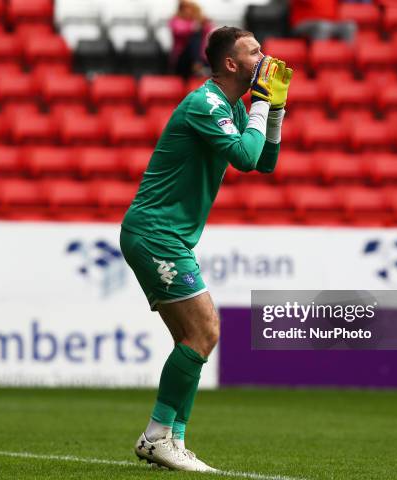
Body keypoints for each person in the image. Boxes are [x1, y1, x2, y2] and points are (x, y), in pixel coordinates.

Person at [120, 27, 292, 471]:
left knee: (192, 338)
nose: (264, 56)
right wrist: (259, 107)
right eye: (254, 51)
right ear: (231, 64)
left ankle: (173, 439)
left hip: (169, 234)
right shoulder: (207, 103)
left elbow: (266, 162)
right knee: (206, 331)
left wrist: (273, 112)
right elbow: (245, 157)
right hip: (156, 232)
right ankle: (157, 436)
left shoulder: (232, 106)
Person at [169, 0, 213, 78]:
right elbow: (179, 30)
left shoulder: (197, 22)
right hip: (182, 58)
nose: (188, 11)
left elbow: (209, 32)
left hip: (198, 56)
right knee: (194, 37)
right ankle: (198, 65)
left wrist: (204, 22)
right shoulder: (175, 20)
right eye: (185, 8)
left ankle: (199, 65)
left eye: (190, 8)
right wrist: (194, 26)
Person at [289, 0, 356, 43]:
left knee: (349, 26)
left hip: (331, 22)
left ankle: (348, 62)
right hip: (303, 22)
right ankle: (319, 62)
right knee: (323, 26)